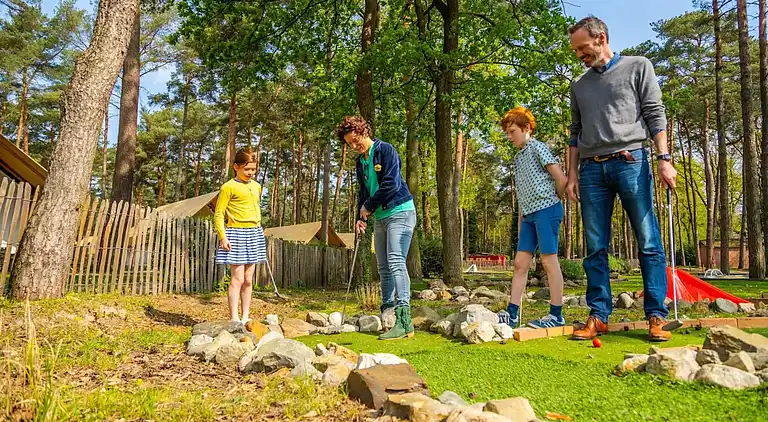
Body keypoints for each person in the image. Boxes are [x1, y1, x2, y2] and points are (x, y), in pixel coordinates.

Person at [565, 16, 677, 342]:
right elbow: (574, 134)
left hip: (632, 162)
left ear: (601, 38)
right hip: (591, 171)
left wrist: (664, 159)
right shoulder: (579, 85)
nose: (579, 55)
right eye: (576, 50)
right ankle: (598, 315)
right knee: (595, 247)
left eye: (583, 48)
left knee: (648, 241)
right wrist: (571, 175)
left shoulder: (638, 66)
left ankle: (656, 315)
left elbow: (655, 114)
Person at [336, 116, 417, 340]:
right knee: (382, 267)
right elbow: (364, 193)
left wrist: (369, 206)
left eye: (355, 140)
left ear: (363, 131)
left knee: (395, 261)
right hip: (380, 216)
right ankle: (388, 314)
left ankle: (404, 320)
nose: (354, 146)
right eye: (349, 144)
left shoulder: (386, 151)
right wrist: (360, 216)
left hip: (400, 211)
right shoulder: (360, 162)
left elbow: (391, 184)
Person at [496, 107, 568, 329]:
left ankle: (556, 315)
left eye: (512, 131)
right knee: (520, 264)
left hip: (547, 210)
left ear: (526, 128)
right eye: (507, 132)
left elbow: (560, 178)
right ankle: (512, 313)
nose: (509, 137)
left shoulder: (539, 148)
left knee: (548, 260)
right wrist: (522, 219)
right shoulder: (518, 158)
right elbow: (522, 194)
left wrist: (555, 200)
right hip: (528, 216)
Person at [214, 149, 266, 325]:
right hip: (235, 233)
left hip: (254, 232)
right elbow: (219, 213)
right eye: (247, 169)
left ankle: (245, 316)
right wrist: (223, 236)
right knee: (237, 278)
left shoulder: (257, 186)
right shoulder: (228, 187)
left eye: (253, 169)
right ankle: (234, 318)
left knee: (249, 279)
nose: (250, 173)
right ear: (236, 167)